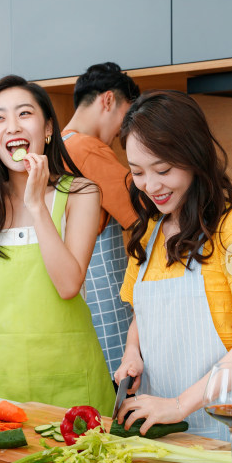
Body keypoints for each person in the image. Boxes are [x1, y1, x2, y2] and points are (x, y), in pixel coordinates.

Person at [113, 90, 232, 447]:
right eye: (138, 172)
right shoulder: (149, 234)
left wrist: (179, 405)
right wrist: (133, 353)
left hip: (222, 432)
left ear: (193, 157)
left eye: (163, 169)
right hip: (158, 434)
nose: (151, 186)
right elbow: (142, 315)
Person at [0, 75, 115, 415]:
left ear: (47, 129)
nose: (12, 126)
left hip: (75, 385)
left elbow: (68, 285)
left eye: (24, 114)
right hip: (6, 382)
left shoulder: (82, 194)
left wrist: (37, 205)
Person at [61, 62, 140, 384]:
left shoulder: (59, 146)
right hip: (102, 301)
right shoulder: (86, 149)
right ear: (107, 100)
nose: (124, 131)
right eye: (126, 116)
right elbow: (143, 210)